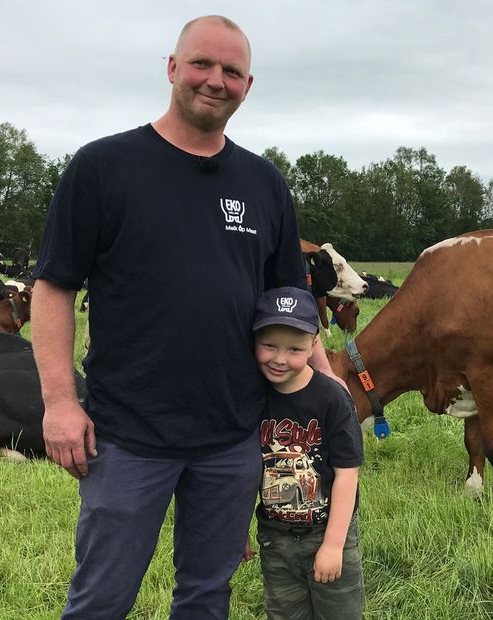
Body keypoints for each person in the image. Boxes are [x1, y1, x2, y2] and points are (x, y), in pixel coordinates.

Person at [31, 15, 337, 619]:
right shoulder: (103, 167)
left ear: (248, 85)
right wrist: (60, 403)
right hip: (126, 436)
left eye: (231, 71)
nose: (215, 80)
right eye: (201, 64)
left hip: (232, 438)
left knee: (206, 594)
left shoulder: (264, 183)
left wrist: (325, 394)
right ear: (172, 68)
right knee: (101, 599)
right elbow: (53, 288)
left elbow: (291, 304)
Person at [248, 287, 364, 619]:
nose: (280, 358)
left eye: (295, 349)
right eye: (269, 345)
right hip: (275, 538)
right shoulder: (252, 397)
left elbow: (347, 473)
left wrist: (332, 545)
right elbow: (246, 470)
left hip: (326, 532)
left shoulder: (332, 399)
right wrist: (239, 527)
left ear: (314, 345)